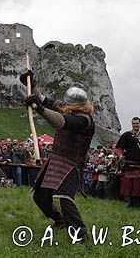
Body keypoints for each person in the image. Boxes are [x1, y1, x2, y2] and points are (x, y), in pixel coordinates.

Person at [22, 70, 94, 242]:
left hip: (71, 163)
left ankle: (81, 234)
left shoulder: (85, 120)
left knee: (66, 199)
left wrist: (39, 109)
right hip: (56, 160)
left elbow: (61, 122)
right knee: (40, 196)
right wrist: (31, 84)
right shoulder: (68, 109)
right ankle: (59, 220)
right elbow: (45, 100)